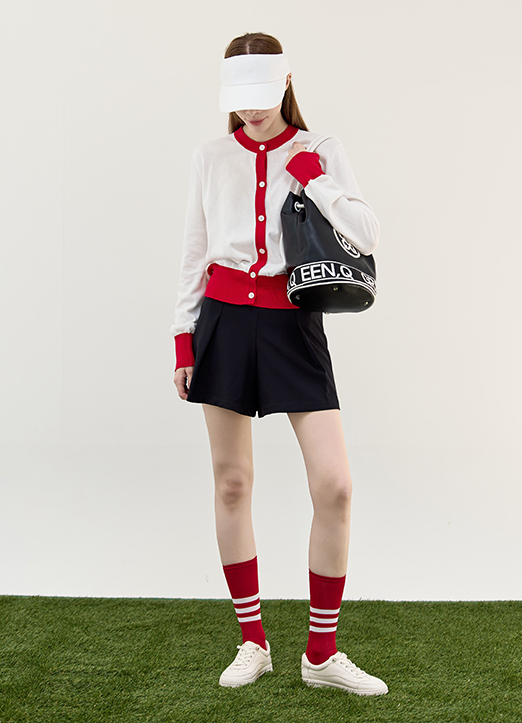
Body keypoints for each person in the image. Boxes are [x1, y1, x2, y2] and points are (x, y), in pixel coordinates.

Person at [171, 31, 388, 696]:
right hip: (223, 322)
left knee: (336, 486)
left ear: (286, 83)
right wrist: (183, 340)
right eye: (240, 98)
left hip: (294, 324)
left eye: (262, 95)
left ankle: (321, 653)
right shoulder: (211, 157)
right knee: (232, 483)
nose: (251, 110)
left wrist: (315, 182)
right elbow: (195, 251)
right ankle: (253, 641)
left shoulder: (319, 148)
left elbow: (367, 234)